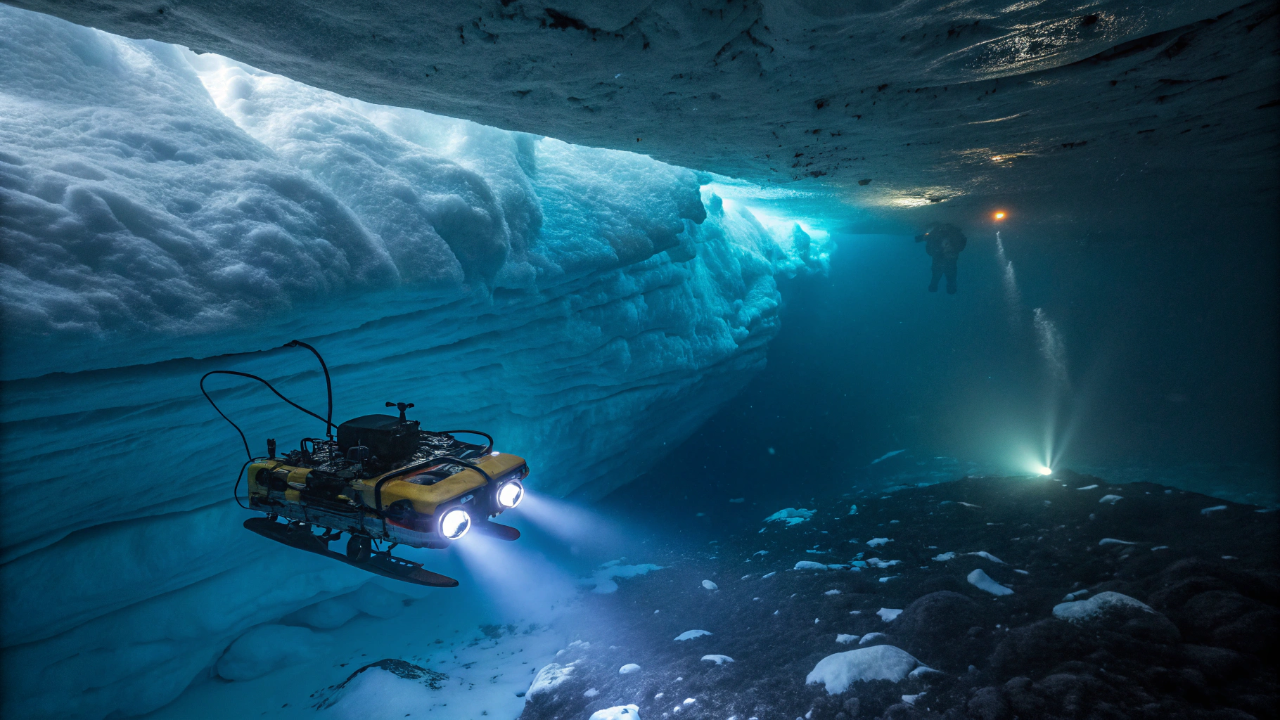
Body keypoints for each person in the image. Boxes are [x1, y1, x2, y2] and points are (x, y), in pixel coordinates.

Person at [915, 223, 967, 294]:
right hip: (942, 263)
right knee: (942, 277)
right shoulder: (939, 243)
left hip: (943, 263)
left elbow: (927, 244)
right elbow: (927, 243)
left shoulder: (939, 242)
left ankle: (940, 287)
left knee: (944, 277)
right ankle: (942, 287)